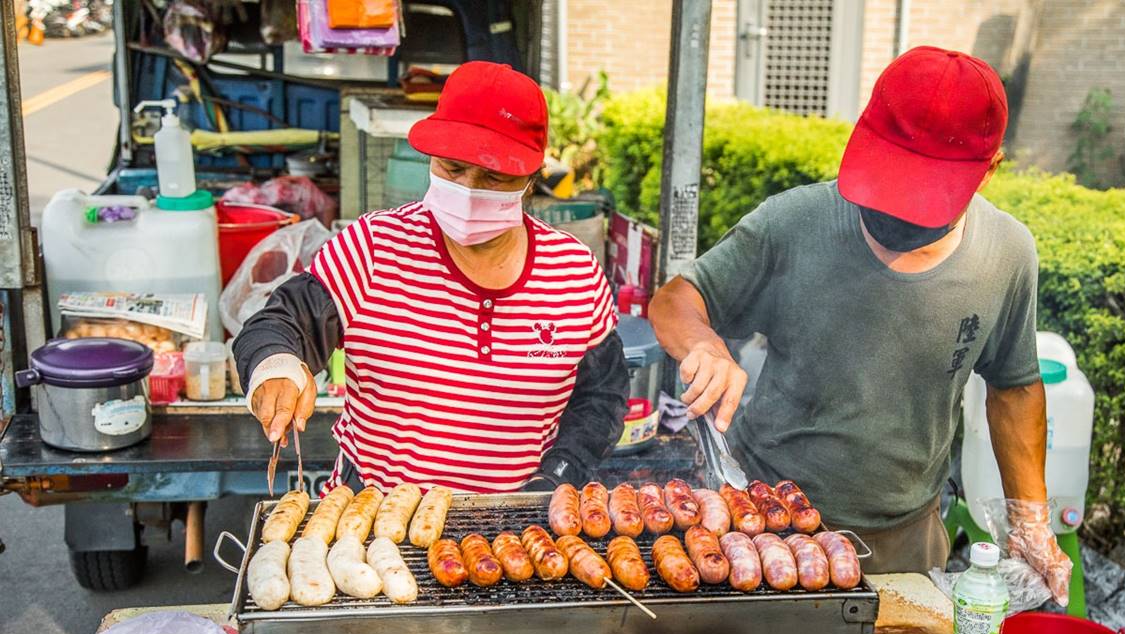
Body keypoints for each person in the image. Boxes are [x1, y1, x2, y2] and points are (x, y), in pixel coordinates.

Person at [649, 46, 1071, 599]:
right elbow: (677, 299)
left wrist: (1031, 520)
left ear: (987, 171)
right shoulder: (796, 223)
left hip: (907, 539)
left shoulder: (1006, 254)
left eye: (920, 193)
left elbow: (1014, 388)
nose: (896, 209)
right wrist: (704, 344)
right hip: (763, 519)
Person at [234, 61, 629, 494]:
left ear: (530, 180)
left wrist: (557, 475)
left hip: (510, 524)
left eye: (494, 176)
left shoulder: (575, 273)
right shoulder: (373, 248)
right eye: (452, 168)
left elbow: (601, 397)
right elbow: (282, 321)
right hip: (373, 516)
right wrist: (276, 365)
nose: (469, 188)